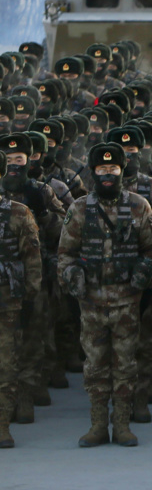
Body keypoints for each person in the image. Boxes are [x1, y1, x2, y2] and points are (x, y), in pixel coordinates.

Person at [56, 142, 152, 448]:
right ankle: (98, 424)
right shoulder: (78, 209)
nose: (107, 175)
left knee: (126, 364)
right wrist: (72, 279)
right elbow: (65, 254)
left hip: (128, 300)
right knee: (95, 365)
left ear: (121, 171)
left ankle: (123, 425)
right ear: (93, 173)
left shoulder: (140, 206)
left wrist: (145, 276)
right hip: (90, 301)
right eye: (101, 170)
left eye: (112, 169)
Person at [0, 162, 42, 449]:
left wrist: (30, 297)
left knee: (5, 364)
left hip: (6, 300)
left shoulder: (17, 212)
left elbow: (32, 259)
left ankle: (2, 425)